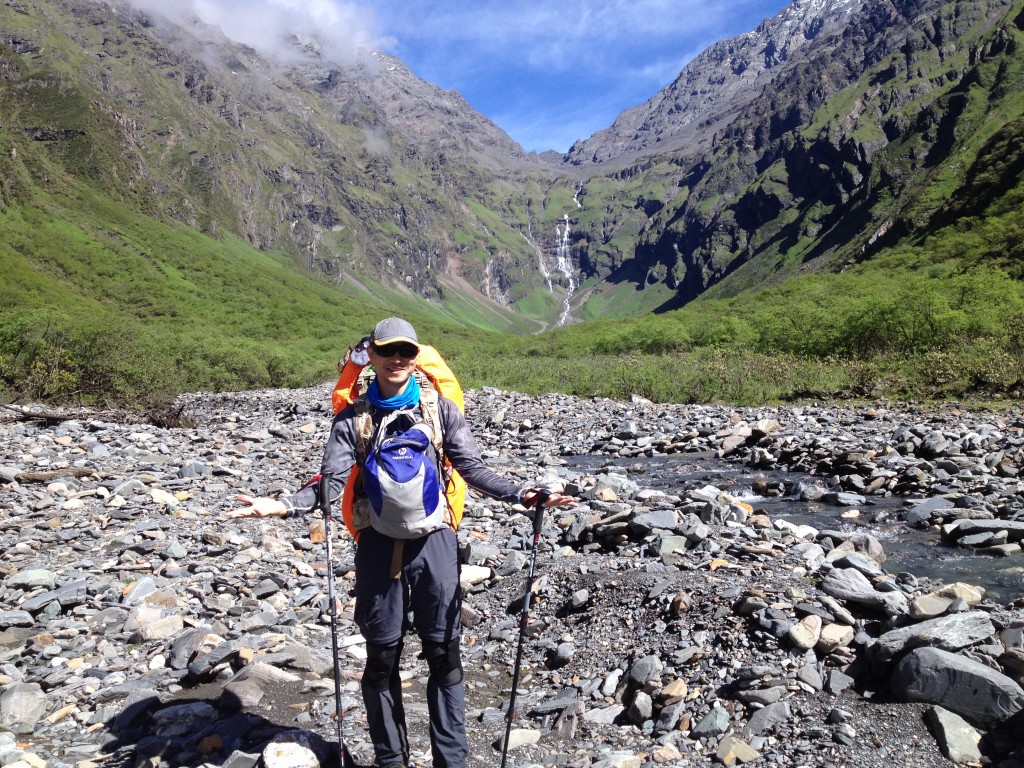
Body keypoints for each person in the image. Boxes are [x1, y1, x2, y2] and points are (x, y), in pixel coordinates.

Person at [226, 317, 575, 768]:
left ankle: (452, 762)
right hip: (377, 543)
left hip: (435, 542)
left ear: (416, 356)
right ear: (370, 354)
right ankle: (392, 761)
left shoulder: (440, 411)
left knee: (443, 655)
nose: (397, 359)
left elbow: (472, 468)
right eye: (388, 350)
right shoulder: (352, 418)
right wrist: (284, 506)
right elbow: (329, 485)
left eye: (406, 352)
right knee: (381, 658)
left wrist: (523, 494)